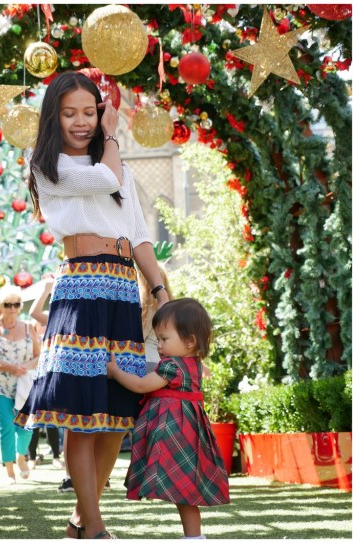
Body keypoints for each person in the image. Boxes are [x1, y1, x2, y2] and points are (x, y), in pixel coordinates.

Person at [14, 71, 169, 539]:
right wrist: (109, 133)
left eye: (89, 111)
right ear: (53, 117)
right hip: (81, 286)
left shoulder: (117, 167)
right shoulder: (47, 164)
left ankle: (82, 518)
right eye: (69, 113)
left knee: (116, 418)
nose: (80, 122)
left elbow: (139, 235)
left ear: (98, 109)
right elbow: (104, 177)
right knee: (83, 417)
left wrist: (161, 291)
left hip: (122, 287)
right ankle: (95, 527)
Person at [107, 298, 230, 539]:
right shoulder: (194, 365)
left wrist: (116, 372)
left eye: (164, 339)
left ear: (190, 341)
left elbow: (142, 385)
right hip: (188, 434)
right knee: (186, 490)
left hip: (172, 434)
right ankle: (194, 537)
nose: (160, 346)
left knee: (179, 484)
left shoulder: (171, 366)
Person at [0, 285, 39, 484]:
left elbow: (39, 357)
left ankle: (21, 455)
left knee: (26, 426)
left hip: (25, 384)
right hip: (0, 385)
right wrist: (9, 367)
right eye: (8, 304)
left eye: (16, 304)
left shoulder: (29, 326)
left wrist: (25, 366)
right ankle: (10, 470)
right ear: (0, 306)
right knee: (6, 426)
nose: (13, 308)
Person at [26, 276, 65, 472]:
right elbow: (34, 312)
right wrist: (46, 290)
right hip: (35, 378)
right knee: (34, 418)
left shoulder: (62, 319)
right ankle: (31, 456)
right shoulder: (49, 321)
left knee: (53, 420)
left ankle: (57, 456)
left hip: (55, 377)